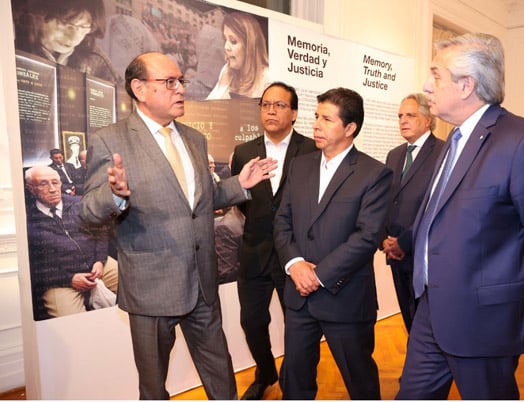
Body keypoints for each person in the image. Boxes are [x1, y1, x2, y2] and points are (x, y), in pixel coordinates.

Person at [79, 51, 277, 400]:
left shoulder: (194, 139)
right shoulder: (110, 140)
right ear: (139, 89)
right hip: (152, 290)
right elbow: (88, 211)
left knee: (221, 376)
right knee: (153, 387)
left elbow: (201, 201)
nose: (181, 89)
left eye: (180, 81)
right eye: (169, 82)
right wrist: (115, 195)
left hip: (202, 283)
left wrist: (239, 185)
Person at [396, 33, 524, 400]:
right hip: (431, 308)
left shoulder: (523, 141)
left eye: (436, 75)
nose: (426, 85)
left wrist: (514, 287)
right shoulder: (454, 140)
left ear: (467, 85)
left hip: (484, 318)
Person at [273, 87, 392, 399]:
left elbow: (367, 237)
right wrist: (295, 265)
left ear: (350, 128)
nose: (316, 125)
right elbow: (282, 221)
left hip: (345, 298)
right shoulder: (300, 166)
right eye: (316, 117)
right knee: (295, 383)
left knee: (360, 383)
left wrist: (317, 275)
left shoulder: (374, 174)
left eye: (327, 119)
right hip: (299, 298)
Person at [231, 81, 318, 400]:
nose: (270, 110)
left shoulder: (312, 150)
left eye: (279, 105)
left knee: (299, 326)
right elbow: (242, 201)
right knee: (252, 322)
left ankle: (295, 384)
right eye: (265, 104)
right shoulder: (244, 152)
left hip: (295, 257)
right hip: (254, 253)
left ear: (294, 113)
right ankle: (266, 373)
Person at [381, 93, 444, 335]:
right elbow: (386, 200)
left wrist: (404, 242)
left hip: (423, 253)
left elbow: (437, 207)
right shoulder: (394, 154)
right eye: (400, 116)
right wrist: (384, 240)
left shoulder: (443, 152)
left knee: (427, 322)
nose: (403, 120)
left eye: (410, 115)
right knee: (408, 319)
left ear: (428, 120)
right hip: (395, 254)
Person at [25, 165, 116, 321]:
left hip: (98, 266)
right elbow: (33, 267)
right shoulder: (27, 220)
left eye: (55, 182)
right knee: (71, 323)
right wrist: (68, 278)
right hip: (59, 281)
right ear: (31, 189)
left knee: (135, 287)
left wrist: (100, 261)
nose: (52, 189)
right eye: (43, 184)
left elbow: (101, 232)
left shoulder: (80, 203)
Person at [12, 0, 120, 84]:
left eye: (84, 27)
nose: (73, 38)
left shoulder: (94, 57)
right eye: (64, 24)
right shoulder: (10, 44)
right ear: (38, 14)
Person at [206, 11, 269, 100]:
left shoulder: (267, 78)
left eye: (233, 41)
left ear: (249, 46)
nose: (226, 47)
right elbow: (209, 106)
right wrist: (222, 87)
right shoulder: (226, 70)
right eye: (225, 39)